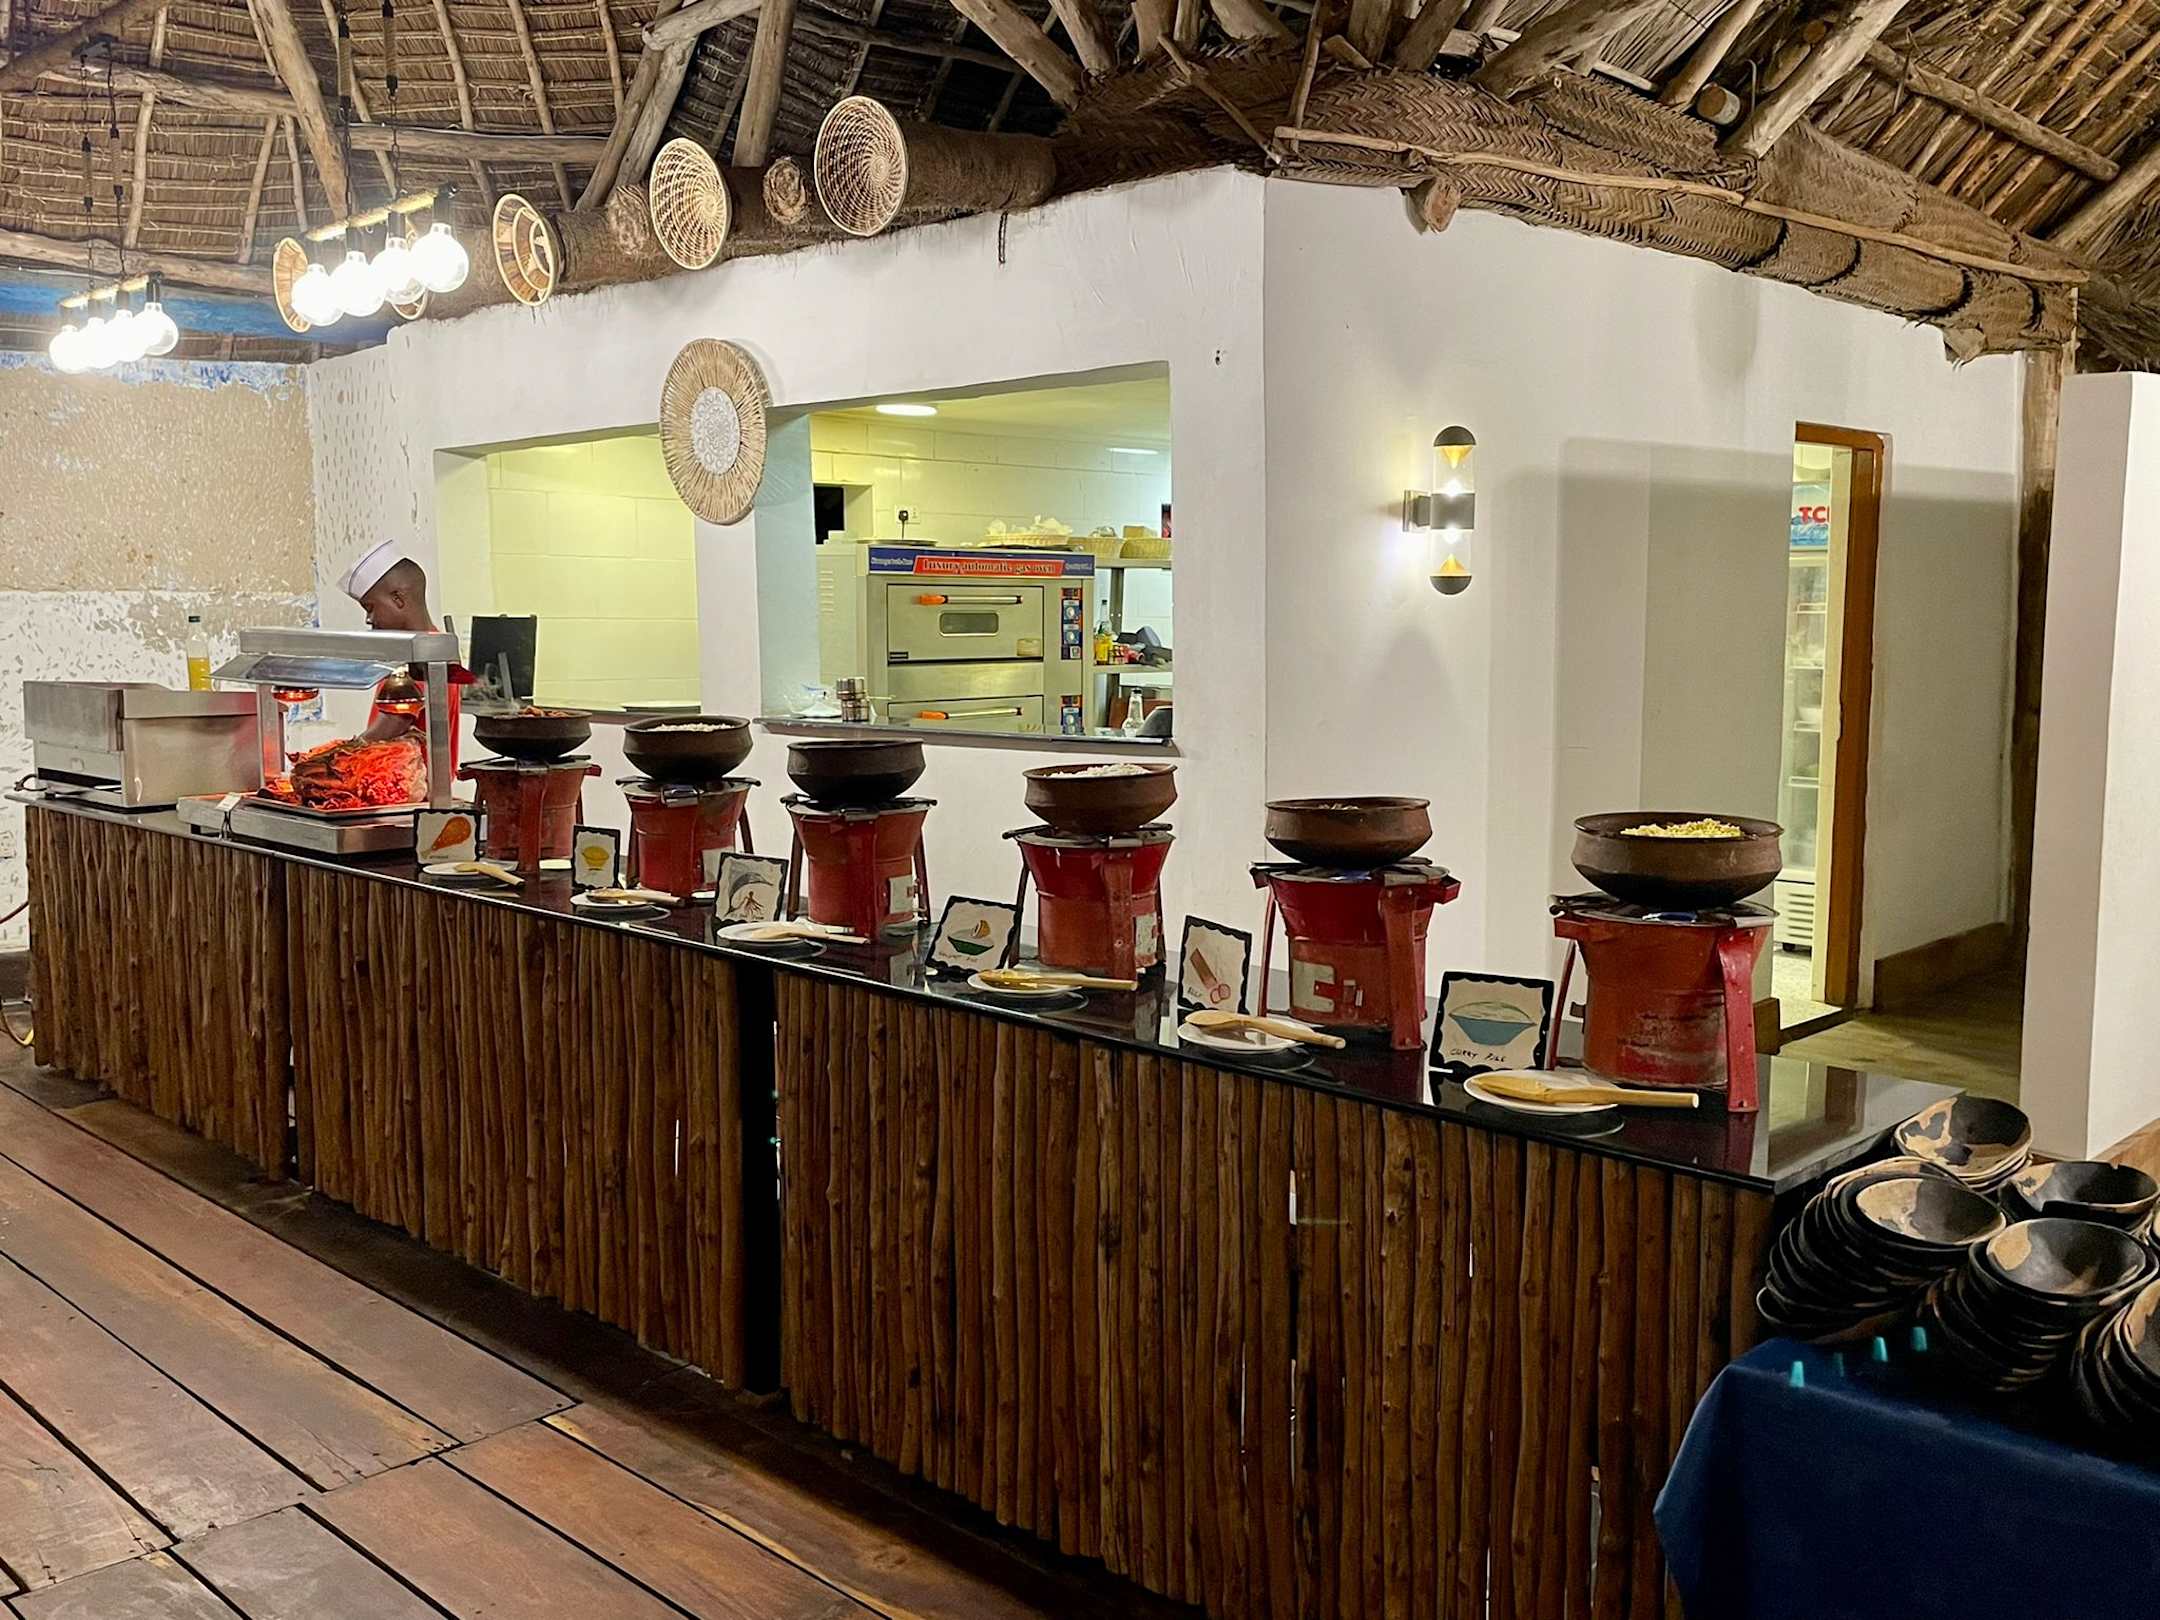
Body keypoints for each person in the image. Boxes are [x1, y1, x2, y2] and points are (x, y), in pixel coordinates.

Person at [338, 540, 462, 769]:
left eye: (370, 608)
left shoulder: (425, 654)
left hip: (411, 786)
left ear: (398, 599)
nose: (369, 619)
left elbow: (393, 723)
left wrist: (336, 757)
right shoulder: (421, 648)